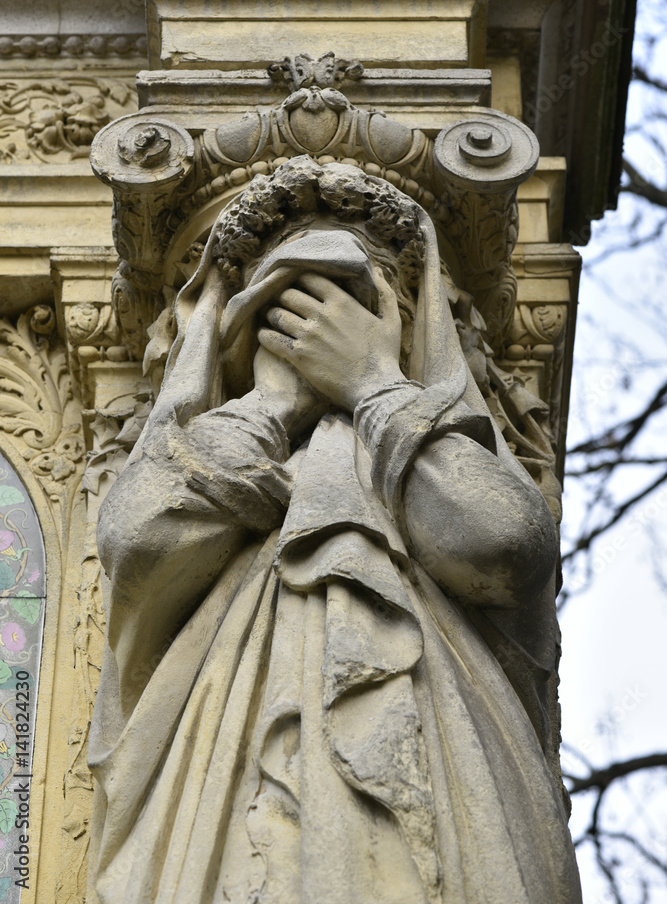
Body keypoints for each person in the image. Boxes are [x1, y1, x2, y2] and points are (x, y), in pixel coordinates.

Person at [88, 157, 582, 904]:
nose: (312, 328)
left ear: (403, 325)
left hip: (444, 771)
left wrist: (372, 386)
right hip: (224, 780)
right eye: (281, 310)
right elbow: (136, 544)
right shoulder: (218, 444)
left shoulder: (438, 446)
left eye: (350, 301)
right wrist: (268, 407)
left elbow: (503, 546)